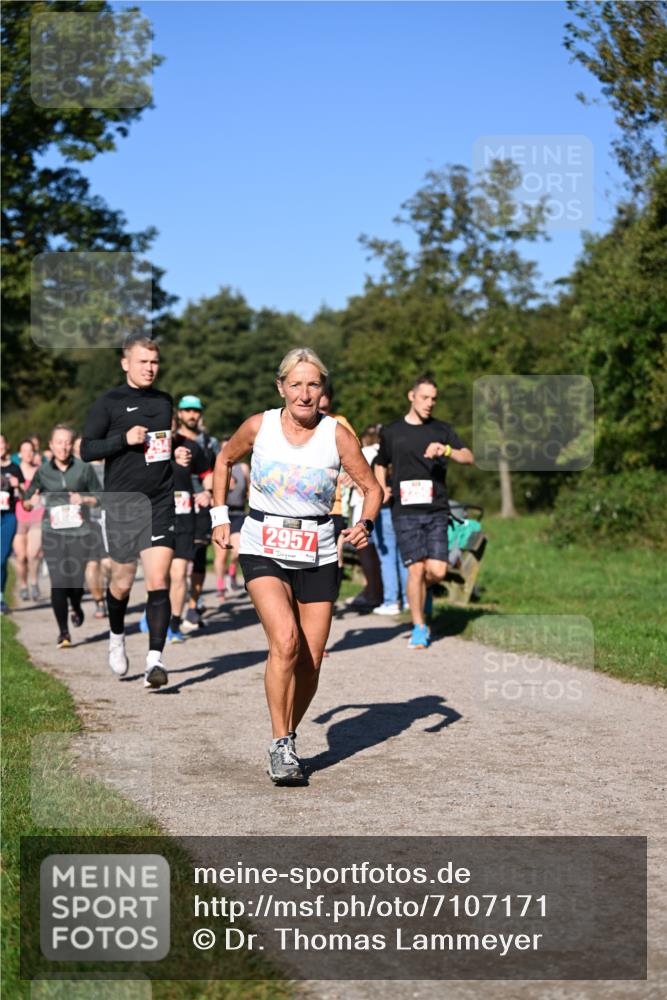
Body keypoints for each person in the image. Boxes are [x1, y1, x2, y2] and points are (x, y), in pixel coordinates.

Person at [211, 347, 382, 785]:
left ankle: (287, 733)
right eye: (296, 384)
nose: (305, 394)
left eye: (313, 384)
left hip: (318, 549)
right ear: (281, 387)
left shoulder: (337, 435)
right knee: (284, 641)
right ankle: (280, 745)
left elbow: (371, 487)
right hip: (263, 543)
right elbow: (225, 459)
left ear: (322, 390)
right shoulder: (260, 426)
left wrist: (365, 522)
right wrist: (219, 516)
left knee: (310, 661)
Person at [81, 335, 175, 687]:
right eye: (142, 362)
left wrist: (178, 452)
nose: (150, 368)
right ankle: (116, 636)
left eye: (154, 362)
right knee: (121, 584)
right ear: (126, 363)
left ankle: (155, 661)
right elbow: (87, 450)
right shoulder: (108, 402)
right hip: (122, 503)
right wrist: (123, 440)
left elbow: (164, 443)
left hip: (160, 501)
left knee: (158, 580)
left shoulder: (165, 401)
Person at [374, 376, 474, 649]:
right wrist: (382, 487)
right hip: (404, 511)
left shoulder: (442, 430)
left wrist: (448, 449)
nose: (429, 403)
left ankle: (422, 592)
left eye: (433, 399)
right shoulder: (393, 431)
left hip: (436, 510)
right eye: (424, 397)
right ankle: (419, 627)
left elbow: (469, 457)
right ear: (411, 396)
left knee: (438, 571)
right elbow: (380, 463)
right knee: (416, 568)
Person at [22, 426, 100, 646]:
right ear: (51, 445)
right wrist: (30, 502)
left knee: (75, 584)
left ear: (72, 444)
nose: (63, 446)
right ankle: (63, 632)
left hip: (80, 532)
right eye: (59, 442)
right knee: (58, 582)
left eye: (67, 442)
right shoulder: (43, 472)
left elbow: (100, 497)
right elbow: (26, 501)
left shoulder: (84, 469)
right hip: (52, 532)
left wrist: (84, 500)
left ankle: (76, 605)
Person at [172, 395, 218, 630]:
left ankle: (192, 605)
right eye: (187, 410)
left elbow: (216, 473)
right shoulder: (166, 440)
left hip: (200, 504)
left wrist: (209, 494)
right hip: (172, 504)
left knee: (198, 554)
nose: (192, 415)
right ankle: (167, 607)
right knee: (171, 559)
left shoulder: (209, 442)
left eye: (196, 411)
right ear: (179, 414)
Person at [73, 434, 110, 618]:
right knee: (92, 564)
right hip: (87, 522)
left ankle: (110, 596)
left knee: (108, 564)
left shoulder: (112, 464)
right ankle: (99, 601)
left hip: (110, 521)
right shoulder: (78, 470)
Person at [347, 425, 383, 609]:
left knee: (365, 551)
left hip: (363, 508)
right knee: (379, 553)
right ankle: (378, 591)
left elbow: (356, 479)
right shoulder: (385, 452)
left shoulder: (365, 452)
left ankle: (372, 592)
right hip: (382, 508)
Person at [214, 437, 249, 601]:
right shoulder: (218, 468)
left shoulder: (243, 468)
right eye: (223, 448)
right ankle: (220, 586)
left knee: (237, 550)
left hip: (239, 513)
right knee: (221, 555)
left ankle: (232, 573)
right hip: (222, 514)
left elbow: (249, 490)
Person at [12, 438, 45, 601]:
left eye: (30, 451)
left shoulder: (41, 470)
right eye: (24, 451)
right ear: (19, 454)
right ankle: (23, 584)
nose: (28, 454)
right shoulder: (14, 471)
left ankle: (34, 582)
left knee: (34, 554)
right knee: (21, 557)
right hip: (18, 516)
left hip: (37, 515)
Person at [1, 435, 22, 614]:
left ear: (6, 445)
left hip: (9, 516)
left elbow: (25, 496)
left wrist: (17, 486)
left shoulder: (14, 468)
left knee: (1, 559)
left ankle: (0, 597)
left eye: (1, 443)